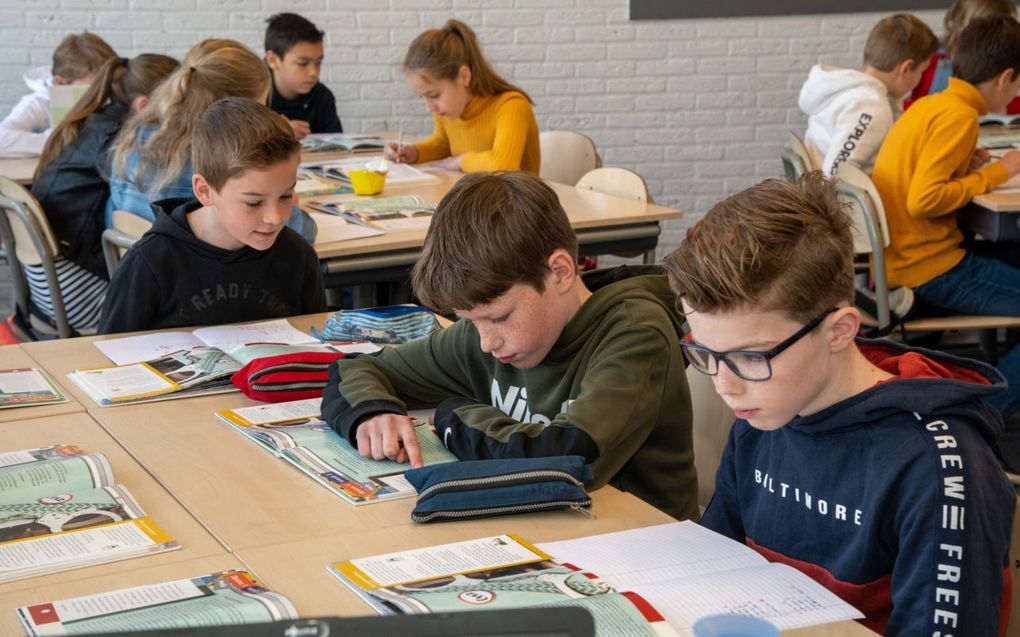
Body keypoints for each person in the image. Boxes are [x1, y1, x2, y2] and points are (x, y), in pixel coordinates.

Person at [663, 172, 1014, 636]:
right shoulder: (765, 413)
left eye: (750, 356)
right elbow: (715, 573)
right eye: (706, 353)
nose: (724, 385)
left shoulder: (936, 466)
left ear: (840, 330)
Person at [321, 171, 697, 520]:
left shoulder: (635, 332)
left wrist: (455, 416)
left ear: (560, 273)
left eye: (499, 318)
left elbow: (563, 458)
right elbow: (356, 367)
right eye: (471, 321)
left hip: (640, 541)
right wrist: (372, 413)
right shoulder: (489, 328)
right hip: (544, 529)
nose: (486, 342)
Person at [871, 16, 1020, 431]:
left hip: (909, 257)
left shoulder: (934, 104)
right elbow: (924, 200)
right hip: (931, 267)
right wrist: (1000, 171)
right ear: (1006, 77)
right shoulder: (959, 116)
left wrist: (965, 167)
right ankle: (983, 418)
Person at [98, 97, 327, 334]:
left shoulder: (298, 256)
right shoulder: (151, 264)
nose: (275, 217)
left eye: (286, 196)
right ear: (205, 191)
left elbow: (319, 342)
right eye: (253, 202)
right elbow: (106, 358)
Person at [23, 53, 178, 332]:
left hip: (46, 286)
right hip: (76, 298)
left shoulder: (93, 120)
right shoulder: (119, 139)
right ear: (143, 105)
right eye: (179, 102)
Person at [107, 38, 314, 243]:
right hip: (198, 273)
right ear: (236, 111)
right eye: (259, 109)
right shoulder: (213, 163)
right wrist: (286, 203)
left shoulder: (135, 139)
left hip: (139, 267)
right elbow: (301, 234)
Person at [383, 19, 540, 174]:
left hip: (516, 199)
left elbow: (504, 164)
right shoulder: (450, 109)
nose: (429, 107)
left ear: (464, 76)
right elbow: (443, 144)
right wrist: (414, 152)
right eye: (422, 97)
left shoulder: (511, 106)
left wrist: (460, 160)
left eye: (434, 95)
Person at [798, 14, 938, 176]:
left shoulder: (847, 90)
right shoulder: (871, 106)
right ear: (906, 69)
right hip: (849, 200)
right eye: (923, 71)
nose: (922, 77)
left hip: (817, 190)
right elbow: (835, 174)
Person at [0, 32, 117, 158]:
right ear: (60, 83)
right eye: (93, 89)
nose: (102, 95)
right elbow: (2, 140)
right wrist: (62, 140)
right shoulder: (39, 103)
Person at [905, 0, 1020, 114]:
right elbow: (905, 106)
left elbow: (1000, 99)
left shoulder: (1006, 68)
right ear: (962, 31)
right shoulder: (928, 63)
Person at [264, 12, 343, 138]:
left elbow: (338, 145)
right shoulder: (253, 94)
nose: (313, 73)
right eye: (303, 63)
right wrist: (277, 132)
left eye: (318, 63)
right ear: (272, 60)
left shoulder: (323, 97)